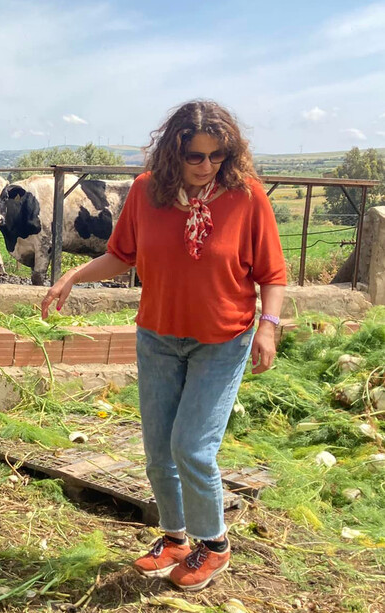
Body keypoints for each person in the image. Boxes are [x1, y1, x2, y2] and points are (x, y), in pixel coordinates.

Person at [41, 99, 286, 591]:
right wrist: (73, 276)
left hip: (223, 340)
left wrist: (269, 325)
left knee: (191, 447)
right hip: (158, 337)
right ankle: (174, 539)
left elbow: (272, 272)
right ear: (174, 152)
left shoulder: (246, 196)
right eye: (195, 156)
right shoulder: (145, 192)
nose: (206, 166)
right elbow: (121, 255)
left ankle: (214, 545)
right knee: (157, 450)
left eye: (217, 155)